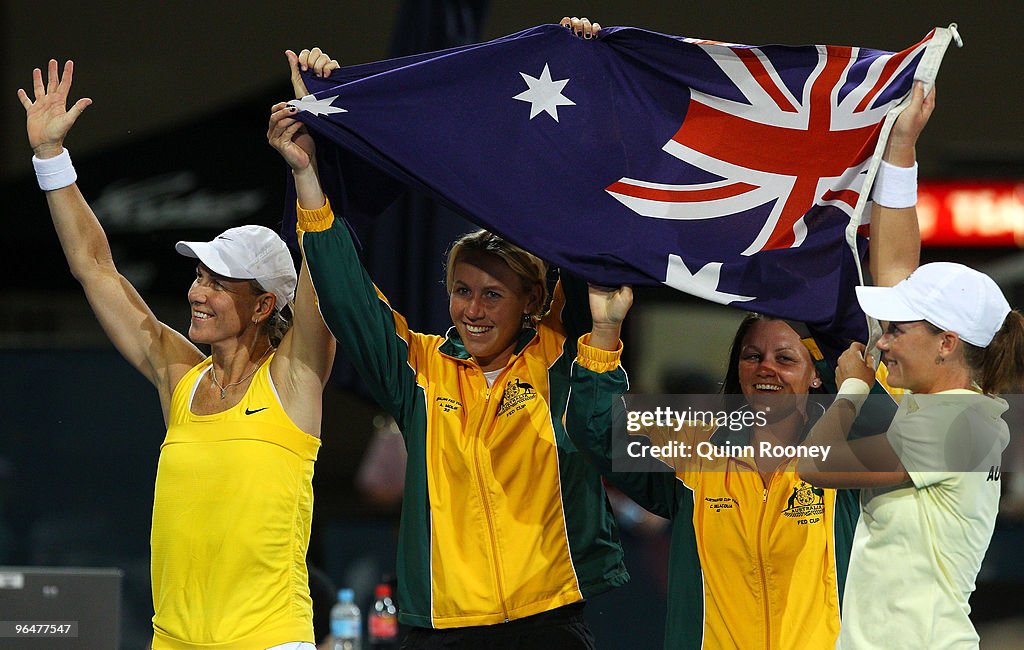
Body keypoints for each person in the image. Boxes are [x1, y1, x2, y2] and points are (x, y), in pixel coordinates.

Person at [558, 27, 939, 646]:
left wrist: (899, 151)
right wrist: (603, 331)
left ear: (816, 374)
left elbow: (898, 304)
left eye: (784, 358)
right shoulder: (694, 457)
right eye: (753, 356)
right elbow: (596, 433)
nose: (765, 368)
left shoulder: (846, 457)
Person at [271, 55, 629, 649]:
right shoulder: (421, 369)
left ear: (532, 300)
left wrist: (583, 84)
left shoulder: (557, 359)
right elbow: (350, 298)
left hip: (547, 625)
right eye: (462, 290)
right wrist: (309, 179)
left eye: (494, 294)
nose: (474, 309)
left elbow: (581, 223)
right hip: (439, 628)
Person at [18, 52, 338, 649]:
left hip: (271, 641)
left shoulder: (295, 378)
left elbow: (328, 268)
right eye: (199, 277)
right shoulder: (179, 379)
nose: (197, 292)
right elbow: (97, 270)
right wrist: (51, 160)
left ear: (266, 305)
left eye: (219, 283)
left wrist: (309, 166)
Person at [798, 274, 1023, 648]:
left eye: (898, 331)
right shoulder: (952, 414)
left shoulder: (952, 423)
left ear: (946, 343)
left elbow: (815, 465)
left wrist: (853, 389)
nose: (883, 343)